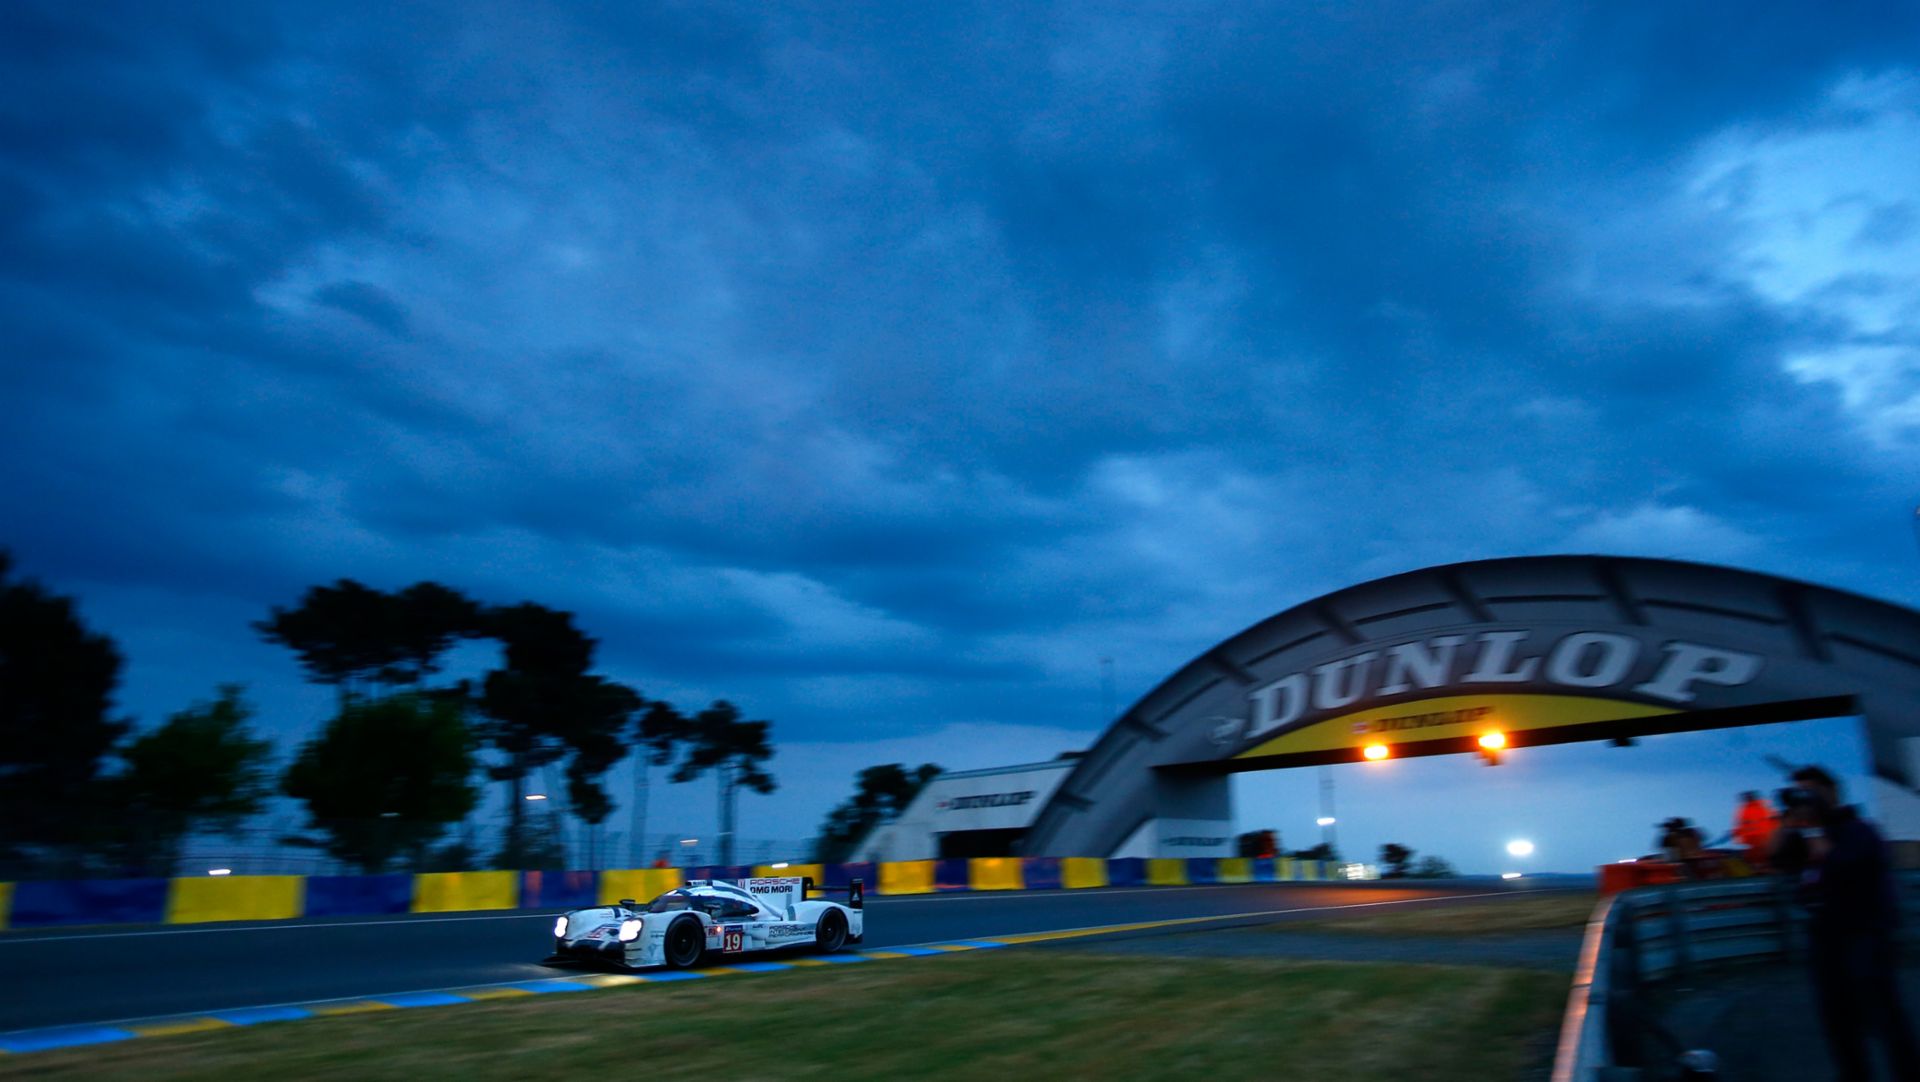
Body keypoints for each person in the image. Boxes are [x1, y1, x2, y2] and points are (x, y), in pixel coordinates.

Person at [1782, 765, 1920, 1081]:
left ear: (1830, 793)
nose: (1805, 799)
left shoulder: (1859, 830)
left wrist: (1815, 829)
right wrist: (1789, 818)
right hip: (1825, 937)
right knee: (1838, 1020)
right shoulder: (1805, 834)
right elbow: (1778, 856)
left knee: (1883, 1016)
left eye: (1810, 792)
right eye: (1799, 792)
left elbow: (1842, 865)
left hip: (1865, 933)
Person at [1733, 790, 1778, 870]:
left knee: (1761, 852)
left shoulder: (1763, 807)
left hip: (1761, 836)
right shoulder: (1745, 809)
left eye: (1748, 797)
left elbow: (1774, 820)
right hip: (1754, 837)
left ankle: (1762, 866)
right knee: (1756, 852)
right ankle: (1758, 866)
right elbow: (1741, 824)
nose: (1746, 799)